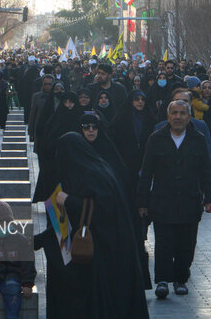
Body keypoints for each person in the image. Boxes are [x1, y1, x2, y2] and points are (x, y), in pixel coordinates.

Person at [53, 133, 150, 318]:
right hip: (113, 243)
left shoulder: (91, 173)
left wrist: (69, 200)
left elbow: (103, 208)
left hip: (107, 247)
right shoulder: (97, 168)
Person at [138, 100, 211, 299]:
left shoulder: (197, 139)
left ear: (189, 117)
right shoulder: (156, 139)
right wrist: (142, 201)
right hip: (163, 201)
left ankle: (180, 278)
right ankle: (163, 280)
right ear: (168, 116)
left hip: (190, 201)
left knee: (186, 244)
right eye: (174, 113)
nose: (178, 117)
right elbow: (146, 172)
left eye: (182, 113)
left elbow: (207, 170)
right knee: (163, 243)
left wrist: (209, 197)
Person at [27, 74, 54, 142]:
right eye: (45, 84)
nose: (47, 86)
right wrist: (31, 132)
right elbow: (33, 114)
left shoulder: (56, 96)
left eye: (49, 84)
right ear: (42, 84)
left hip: (53, 129)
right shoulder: (37, 96)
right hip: (40, 128)